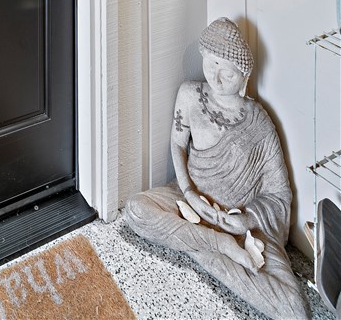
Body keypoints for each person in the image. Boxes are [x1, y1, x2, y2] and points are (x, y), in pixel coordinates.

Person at [125, 18, 310, 319]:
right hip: (188, 198)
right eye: (211, 63)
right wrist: (189, 192)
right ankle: (217, 246)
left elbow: (278, 194)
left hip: (236, 220)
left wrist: (246, 220)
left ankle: (207, 246)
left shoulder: (258, 122)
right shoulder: (190, 95)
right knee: (136, 209)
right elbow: (177, 144)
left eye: (227, 71)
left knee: (294, 309)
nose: (216, 77)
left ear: (244, 75)